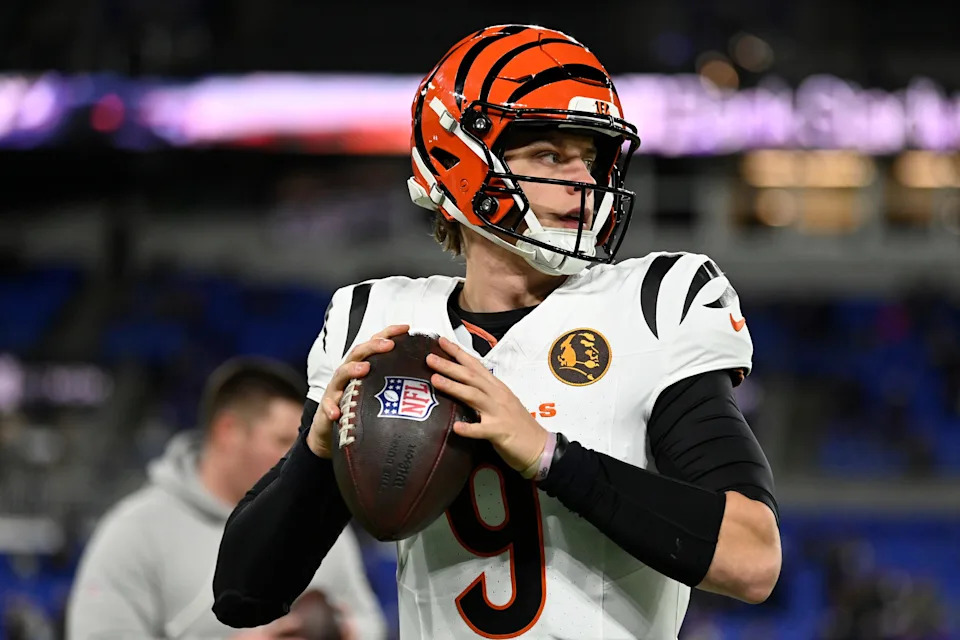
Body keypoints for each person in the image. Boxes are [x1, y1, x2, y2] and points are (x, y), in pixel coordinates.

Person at [213, 24, 781, 639]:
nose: (584, 180)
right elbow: (243, 596)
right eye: (549, 155)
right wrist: (316, 453)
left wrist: (550, 457)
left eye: (591, 158)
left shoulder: (653, 305)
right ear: (460, 159)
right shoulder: (378, 324)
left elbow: (753, 559)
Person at [67, 357, 385, 639]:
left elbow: (368, 621)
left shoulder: (317, 518)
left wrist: (348, 632)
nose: (298, 456)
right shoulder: (135, 530)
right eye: (283, 441)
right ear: (228, 431)